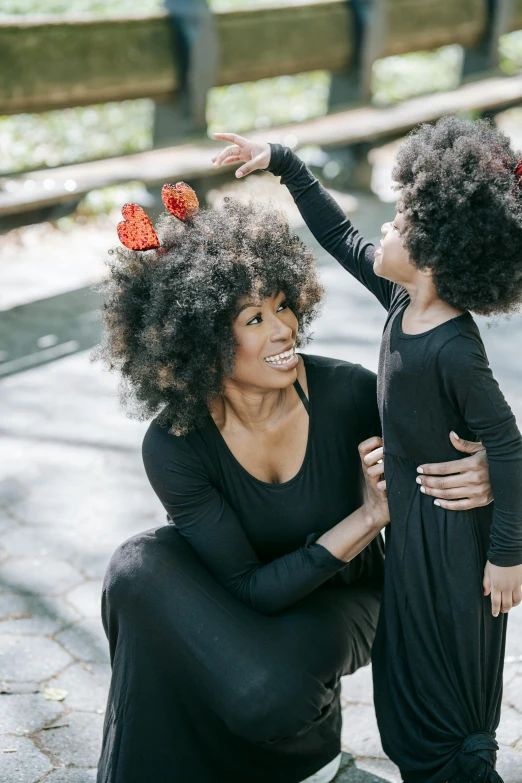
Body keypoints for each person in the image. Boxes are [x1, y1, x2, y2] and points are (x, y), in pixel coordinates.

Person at [95, 180, 494, 783]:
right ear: (198, 341)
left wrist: (488, 464)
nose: (284, 329)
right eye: (253, 318)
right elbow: (250, 589)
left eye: (282, 304)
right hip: (248, 593)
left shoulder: (350, 393)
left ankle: (305, 757)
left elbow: (462, 427)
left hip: (348, 596)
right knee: (137, 569)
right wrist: (367, 516)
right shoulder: (174, 444)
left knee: (268, 697)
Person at [212, 115, 522, 782]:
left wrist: (507, 557)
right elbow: (340, 235)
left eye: (403, 219)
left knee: (449, 702)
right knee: (404, 692)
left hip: (454, 548)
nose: (386, 224)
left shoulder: (454, 347)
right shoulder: (401, 301)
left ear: (439, 252)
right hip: (412, 537)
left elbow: (506, 442)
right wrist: (284, 162)